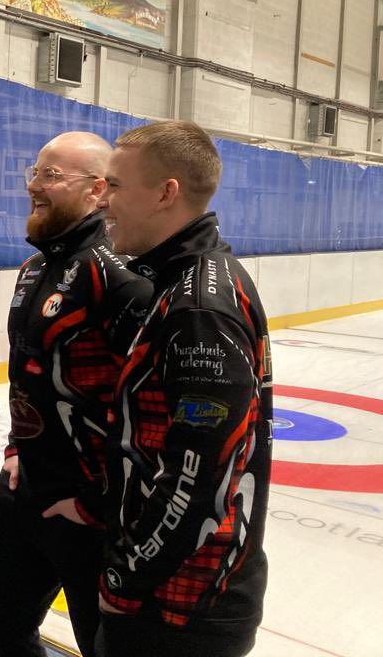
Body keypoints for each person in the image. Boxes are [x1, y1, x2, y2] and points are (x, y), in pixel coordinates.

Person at [96, 121, 272, 657]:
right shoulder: (179, 281)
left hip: (182, 605)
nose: (102, 201)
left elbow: (201, 479)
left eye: (116, 186)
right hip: (173, 593)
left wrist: (125, 578)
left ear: (166, 193)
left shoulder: (198, 305)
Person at [0, 132, 152, 657]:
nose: (33, 184)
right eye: (34, 171)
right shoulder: (34, 268)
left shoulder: (122, 277)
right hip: (26, 488)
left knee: (96, 644)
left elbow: (144, 409)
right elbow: (29, 376)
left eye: (51, 175)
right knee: (1, 619)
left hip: (88, 511)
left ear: (99, 190)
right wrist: (14, 450)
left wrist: (97, 502)